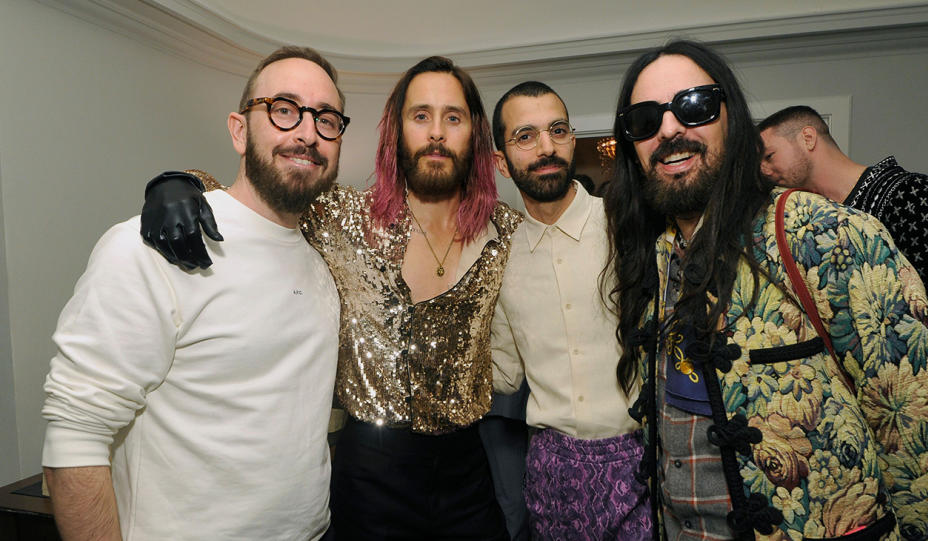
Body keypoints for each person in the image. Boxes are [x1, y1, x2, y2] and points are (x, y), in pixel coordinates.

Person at [137, 56, 517, 540]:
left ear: (474, 135)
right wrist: (175, 183)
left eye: (454, 117)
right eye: (420, 116)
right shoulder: (341, 214)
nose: (437, 133)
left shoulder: (505, 232)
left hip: (468, 475)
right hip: (370, 474)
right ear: (396, 131)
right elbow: (251, 192)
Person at [604, 40, 928, 540]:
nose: (668, 129)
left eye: (694, 106)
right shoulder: (651, 261)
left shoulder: (824, 234)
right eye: (645, 119)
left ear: (731, 118)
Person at [41, 46, 344, 541]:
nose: (308, 133)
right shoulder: (153, 249)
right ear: (239, 130)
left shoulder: (320, 262)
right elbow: (75, 437)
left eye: (326, 118)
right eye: (284, 110)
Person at [489, 81, 651, 539]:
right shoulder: (499, 259)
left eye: (557, 130)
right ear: (501, 161)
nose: (547, 148)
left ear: (572, 138)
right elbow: (504, 373)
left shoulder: (627, 228)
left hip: (640, 459)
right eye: (526, 136)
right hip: (550, 470)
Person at [758, 105, 928, 342]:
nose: (764, 170)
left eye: (769, 156)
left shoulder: (914, 194)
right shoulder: (813, 224)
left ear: (808, 138)